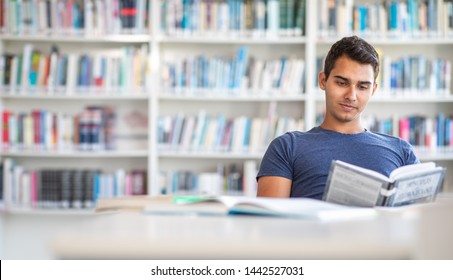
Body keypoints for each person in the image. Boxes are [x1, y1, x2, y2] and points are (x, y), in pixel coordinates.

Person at [256, 35, 419, 199]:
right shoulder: (287, 148)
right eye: (342, 83)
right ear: (323, 80)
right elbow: (271, 222)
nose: (351, 96)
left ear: (373, 90)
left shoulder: (401, 151)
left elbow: (420, 220)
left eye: (362, 86)